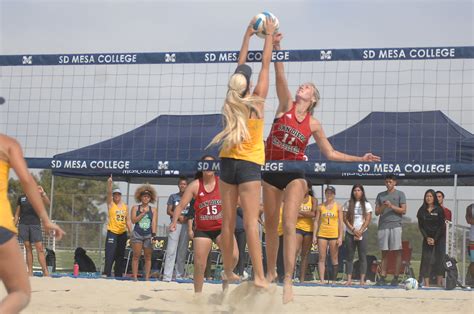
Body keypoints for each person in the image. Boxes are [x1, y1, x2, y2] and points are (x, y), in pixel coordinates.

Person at [262, 33, 380, 302]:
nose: (302, 87)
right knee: (271, 226)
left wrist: (360, 159)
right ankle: (270, 273)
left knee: (289, 224)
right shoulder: (284, 108)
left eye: (307, 87)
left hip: (295, 173)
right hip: (270, 171)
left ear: (313, 98)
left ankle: (289, 280)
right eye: (302, 85)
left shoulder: (314, 123)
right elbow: (280, 78)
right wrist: (277, 47)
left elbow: (330, 153)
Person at [208, 17, 276, 288]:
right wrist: (268, 36)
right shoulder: (256, 99)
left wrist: (247, 37)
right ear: (247, 85)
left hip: (227, 163)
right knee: (250, 223)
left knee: (227, 222)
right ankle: (259, 276)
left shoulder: (230, 101)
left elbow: (241, 67)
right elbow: (265, 65)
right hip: (248, 165)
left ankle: (227, 271)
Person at [0, 134, 64, 313]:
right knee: (21, 292)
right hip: (3, 224)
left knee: (39, 248)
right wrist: (47, 220)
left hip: (29, 225)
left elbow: (37, 192)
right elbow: (27, 180)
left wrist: (42, 199)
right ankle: (32, 272)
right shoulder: (8, 144)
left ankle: (45, 272)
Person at [169, 155, 239, 293]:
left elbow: (238, 199)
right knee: (200, 265)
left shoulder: (222, 183)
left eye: (211, 164)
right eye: (205, 164)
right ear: (201, 167)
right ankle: (198, 295)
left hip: (221, 228)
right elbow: (181, 205)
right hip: (203, 229)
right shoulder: (195, 185)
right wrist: (173, 222)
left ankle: (226, 275)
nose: (208, 167)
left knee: (234, 256)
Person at [375, 174, 407, 286]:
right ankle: (383, 276)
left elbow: (403, 210)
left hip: (396, 225)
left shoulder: (400, 194)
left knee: (397, 251)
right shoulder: (380, 195)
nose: (388, 184)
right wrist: (384, 206)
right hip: (383, 226)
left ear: (394, 182)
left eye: (390, 182)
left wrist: (391, 206)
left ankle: (396, 277)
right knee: (384, 252)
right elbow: (377, 212)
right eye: (386, 182)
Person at [14, 185, 51, 276]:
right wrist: (13, 226)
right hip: (23, 225)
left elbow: (48, 203)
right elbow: (17, 215)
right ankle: (30, 272)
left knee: (40, 248)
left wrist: (43, 193)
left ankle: (45, 272)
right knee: (28, 248)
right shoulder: (21, 198)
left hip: (35, 225)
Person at [342, 184, 373, 286]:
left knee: (362, 257)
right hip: (350, 233)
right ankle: (349, 280)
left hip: (362, 233)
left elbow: (368, 219)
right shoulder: (348, 203)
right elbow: (345, 219)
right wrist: (353, 229)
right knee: (349, 257)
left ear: (362, 192)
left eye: (359, 190)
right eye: (355, 190)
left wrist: (361, 230)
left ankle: (362, 280)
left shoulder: (367, 204)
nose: (357, 192)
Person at [312, 186, 343, 284]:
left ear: (334, 194)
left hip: (334, 234)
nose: (329, 195)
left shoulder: (338, 206)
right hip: (322, 233)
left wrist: (340, 236)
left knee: (334, 257)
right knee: (322, 257)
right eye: (327, 193)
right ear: (325, 194)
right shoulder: (320, 206)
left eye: (331, 193)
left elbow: (340, 222)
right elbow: (316, 221)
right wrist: (314, 236)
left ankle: (334, 280)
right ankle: (321, 280)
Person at [163, 176, 191, 282]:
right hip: (175, 224)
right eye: (181, 184)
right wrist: (177, 216)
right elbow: (168, 210)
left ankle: (179, 275)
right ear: (178, 185)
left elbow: (192, 212)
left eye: (184, 184)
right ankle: (167, 276)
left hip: (185, 225)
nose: (182, 186)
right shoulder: (173, 196)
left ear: (187, 186)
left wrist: (186, 218)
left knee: (182, 251)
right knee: (171, 250)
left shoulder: (191, 197)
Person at [103, 175, 131, 277]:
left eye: (118, 194)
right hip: (112, 232)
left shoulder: (125, 206)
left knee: (120, 253)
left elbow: (128, 220)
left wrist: (131, 233)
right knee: (110, 253)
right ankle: (107, 272)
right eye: (115, 194)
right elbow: (108, 194)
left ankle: (118, 273)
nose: (117, 196)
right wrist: (109, 184)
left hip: (122, 233)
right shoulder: (111, 204)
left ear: (121, 195)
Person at [417, 189, 445, 287]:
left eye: (430, 196)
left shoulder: (439, 210)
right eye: (427, 196)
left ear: (434, 198)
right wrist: (427, 238)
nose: (428, 198)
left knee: (440, 259)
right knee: (426, 260)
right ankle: (426, 284)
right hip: (427, 238)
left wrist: (435, 239)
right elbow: (420, 226)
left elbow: (442, 226)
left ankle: (439, 283)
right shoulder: (421, 210)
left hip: (439, 238)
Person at [130, 185, 157, 281]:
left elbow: (153, 222)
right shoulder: (135, 208)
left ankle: (146, 277)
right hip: (137, 233)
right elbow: (133, 221)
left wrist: (153, 235)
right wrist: (142, 214)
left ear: (150, 198)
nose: (146, 198)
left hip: (148, 234)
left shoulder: (153, 209)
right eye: (144, 196)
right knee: (136, 256)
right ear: (140, 197)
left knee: (148, 257)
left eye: (148, 196)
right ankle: (135, 277)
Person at [295, 179, 317, 282]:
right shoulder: (296, 198)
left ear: (309, 188)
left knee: (305, 254)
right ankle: (290, 276)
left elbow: (313, 214)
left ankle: (302, 279)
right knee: (295, 251)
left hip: (309, 229)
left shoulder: (313, 200)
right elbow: (293, 213)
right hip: (297, 228)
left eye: (305, 187)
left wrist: (300, 212)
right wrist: (306, 213)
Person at [234, 202, 247, 278]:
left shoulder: (243, 206)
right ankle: (234, 271)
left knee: (241, 252)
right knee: (234, 252)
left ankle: (241, 272)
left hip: (242, 231)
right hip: (233, 230)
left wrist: (239, 208)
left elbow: (245, 215)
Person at [466, 203, 474, 286]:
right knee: (473, 261)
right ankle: (472, 279)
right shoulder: (470, 207)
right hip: (473, 239)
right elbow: (469, 220)